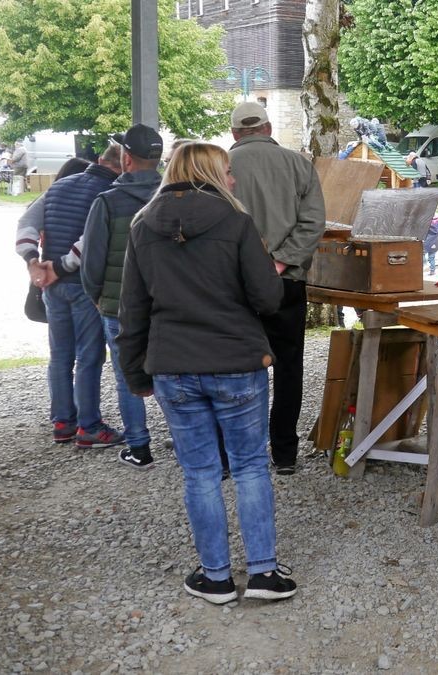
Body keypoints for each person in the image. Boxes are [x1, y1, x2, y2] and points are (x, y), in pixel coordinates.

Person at [116, 141, 296, 603]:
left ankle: (215, 577)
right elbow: (268, 299)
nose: (233, 179)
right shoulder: (237, 223)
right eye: (228, 171)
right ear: (213, 174)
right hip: (236, 363)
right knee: (252, 466)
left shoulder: (143, 226)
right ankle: (262, 574)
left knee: (199, 473)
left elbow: (132, 311)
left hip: (174, 367)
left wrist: (135, 375)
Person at [228, 101, 326, 476]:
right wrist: (281, 261)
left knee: (235, 369)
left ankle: (238, 453)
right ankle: (284, 453)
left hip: (235, 287)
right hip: (286, 282)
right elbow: (313, 220)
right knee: (288, 367)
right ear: (268, 128)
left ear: (236, 133)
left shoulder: (220, 166)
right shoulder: (299, 164)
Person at [15, 145, 123, 448]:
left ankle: (63, 422)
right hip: (83, 285)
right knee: (89, 357)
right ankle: (89, 426)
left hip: (50, 286)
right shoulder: (109, 191)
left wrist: (33, 262)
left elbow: (26, 223)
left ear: (100, 160)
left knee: (60, 356)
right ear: (121, 166)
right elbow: (90, 239)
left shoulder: (58, 185)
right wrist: (64, 266)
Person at [80, 124, 165, 470]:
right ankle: (188, 437)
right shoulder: (172, 196)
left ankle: (139, 446)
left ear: (126, 159)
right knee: (170, 371)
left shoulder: (107, 202)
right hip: (165, 303)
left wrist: (97, 298)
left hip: (118, 306)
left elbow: (92, 262)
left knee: (126, 375)